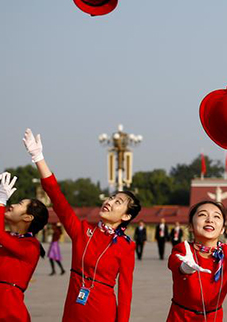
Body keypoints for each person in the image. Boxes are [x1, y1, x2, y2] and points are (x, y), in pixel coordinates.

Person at [23, 128, 141, 322]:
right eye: (111, 197)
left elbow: (126, 293)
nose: (109, 202)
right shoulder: (83, 230)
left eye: (117, 202)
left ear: (127, 216)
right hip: (73, 309)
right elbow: (58, 199)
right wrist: (38, 157)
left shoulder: (126, 246)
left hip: (103, 312)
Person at [0, 158, 48, 321]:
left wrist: (0, 201)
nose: (12, 205)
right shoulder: (5, 239)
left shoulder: (30, 246)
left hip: (10, 315)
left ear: (27, 217)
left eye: (20, 203)